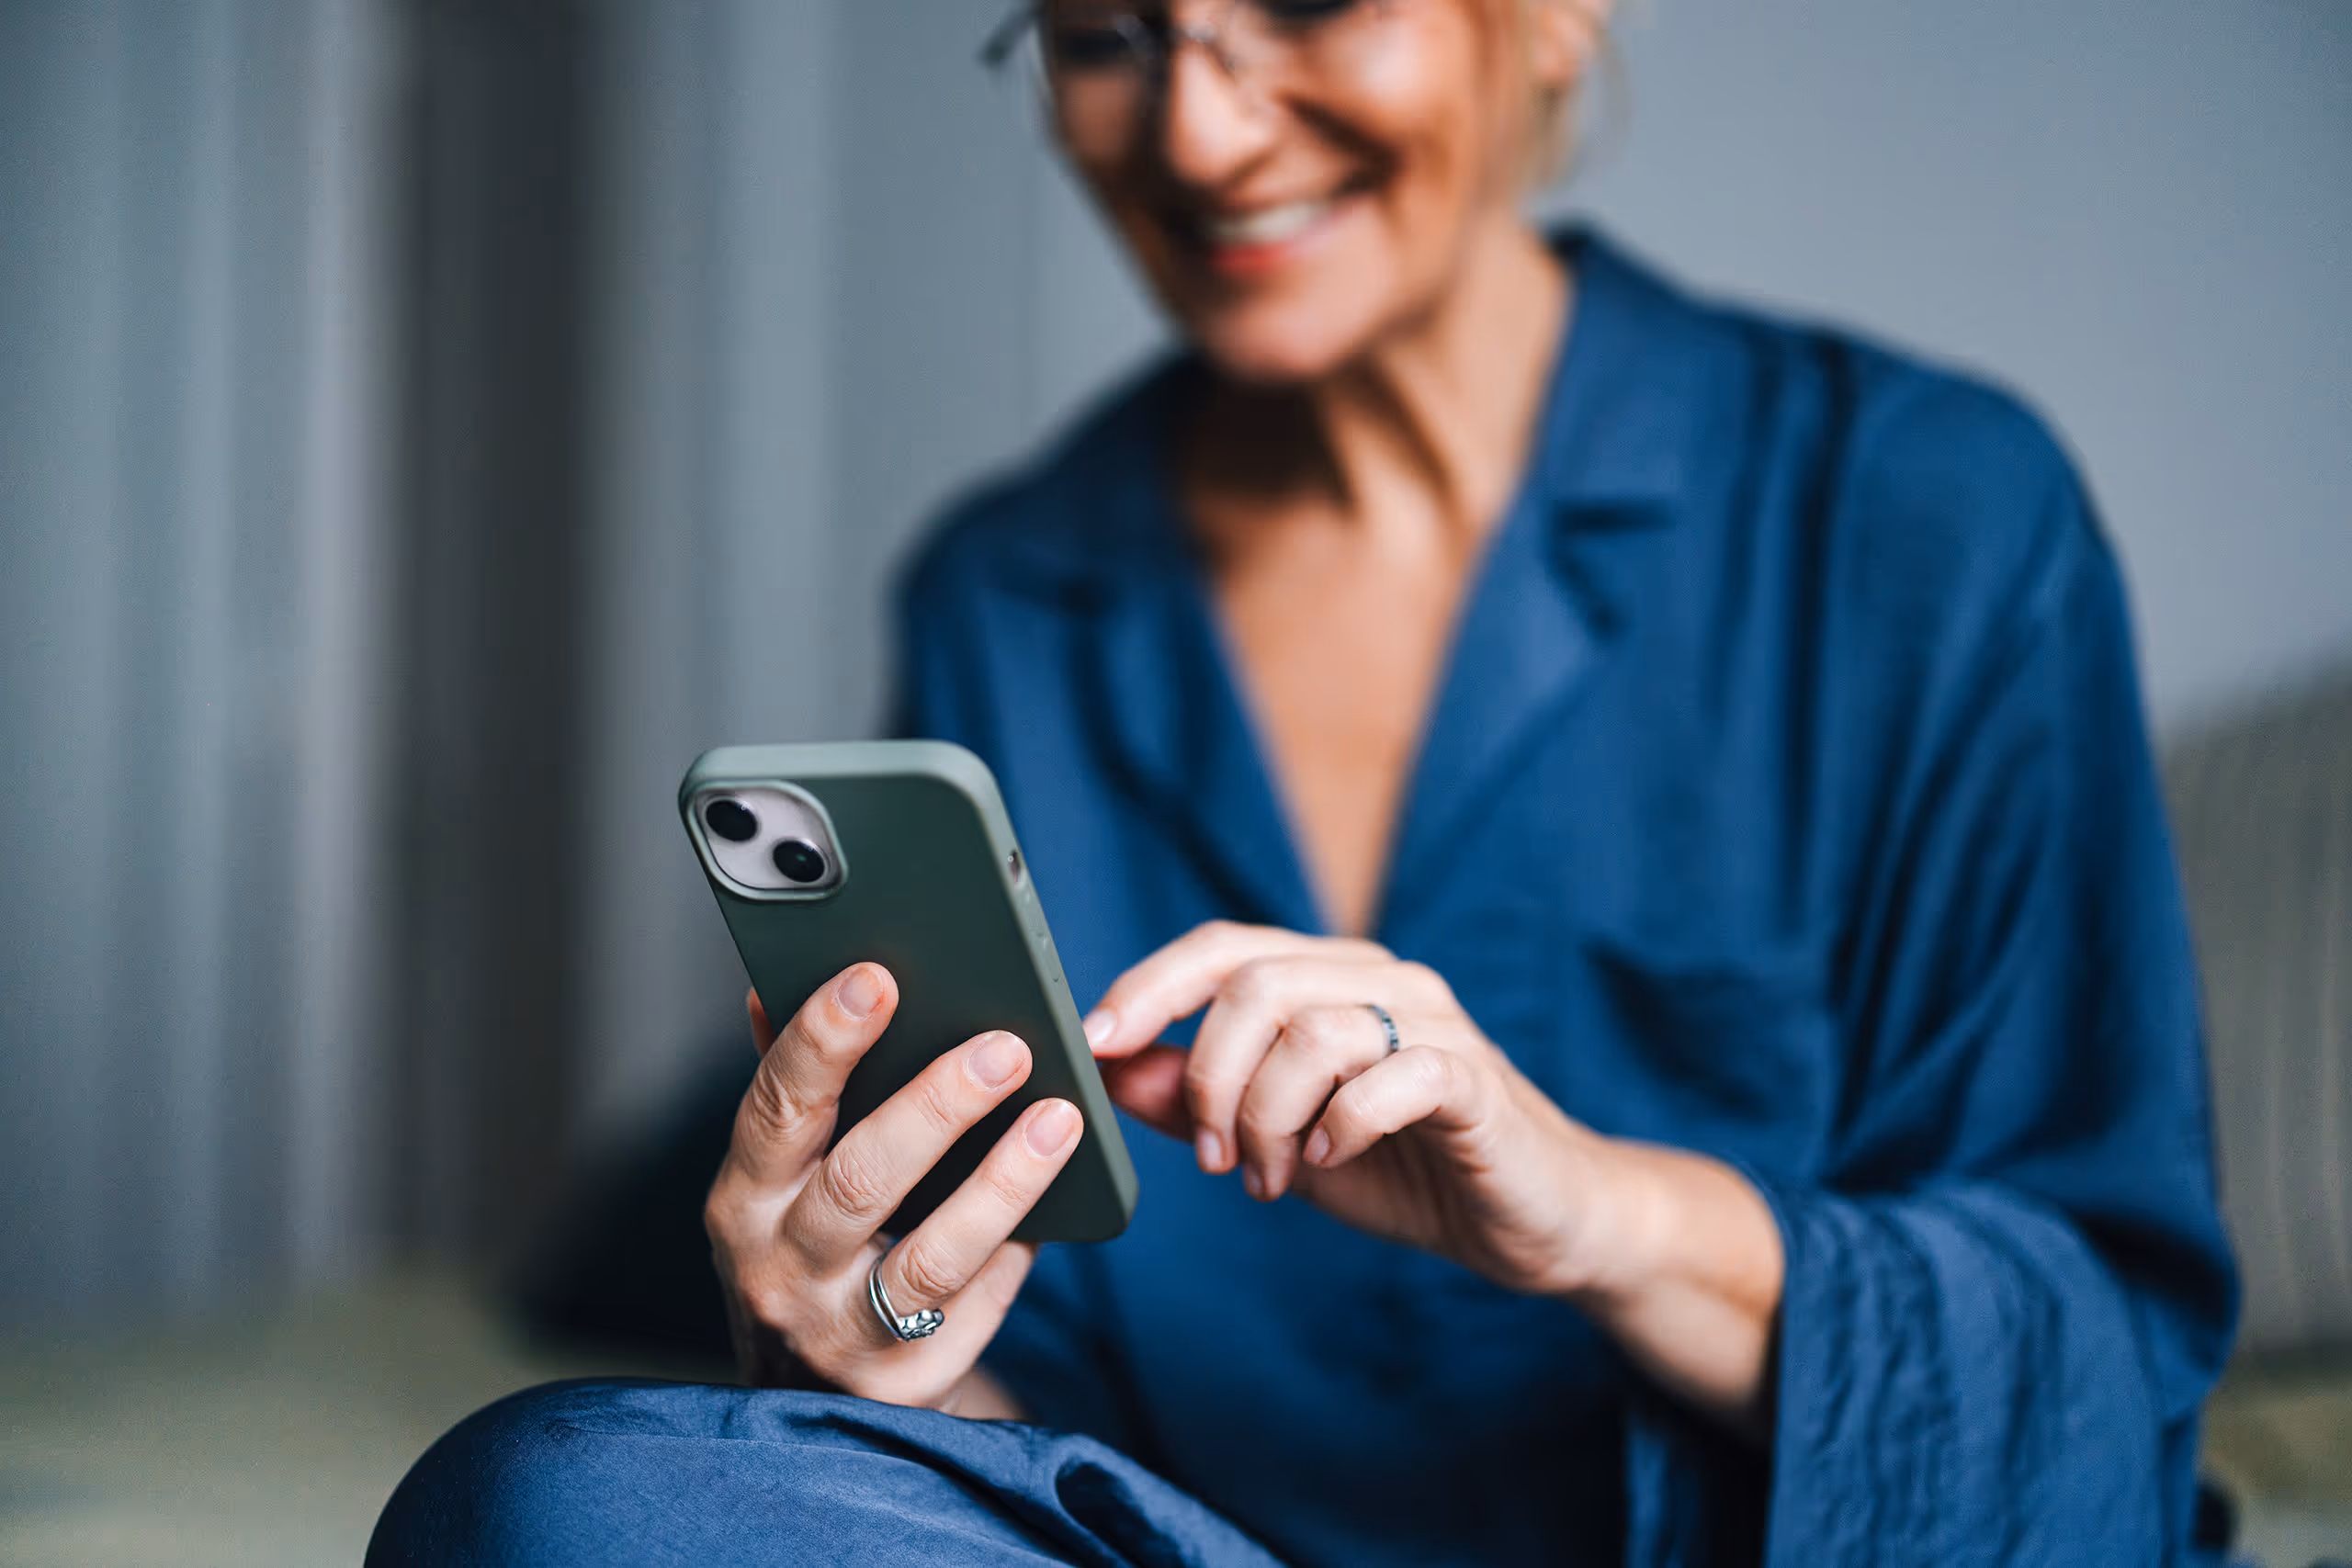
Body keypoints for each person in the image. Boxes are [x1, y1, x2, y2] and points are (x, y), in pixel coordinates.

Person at [372, 1, 2238, 1562]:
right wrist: (873, 1360)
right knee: (557, 1503)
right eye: (1104, 34)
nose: (1197, 130)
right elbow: (1031, 1448)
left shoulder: (1928, 517)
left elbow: (2098, 1380)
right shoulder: (1005, 597)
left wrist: (1597, 1207)